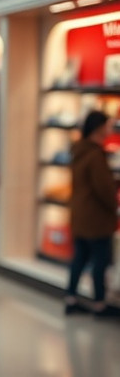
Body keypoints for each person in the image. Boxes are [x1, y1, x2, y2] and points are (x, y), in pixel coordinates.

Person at [64, 111, 118, 317]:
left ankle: (70, 298)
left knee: (79, 258)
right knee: (99, 261)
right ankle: (99, 304)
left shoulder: (79, 151)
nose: (110, 129)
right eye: (108, 125)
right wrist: (114, 202)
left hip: (79, 214)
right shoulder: (96, 155)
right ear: (99, 128)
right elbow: (103, 189)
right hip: (96, 217)